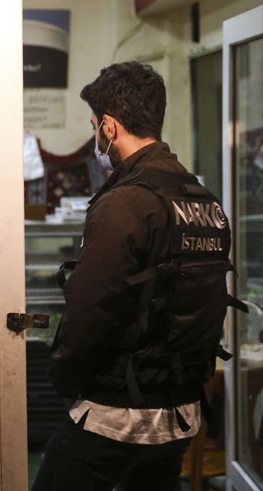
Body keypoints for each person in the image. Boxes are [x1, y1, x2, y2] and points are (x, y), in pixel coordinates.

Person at [32, 61, 234, 491]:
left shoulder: (125, 203)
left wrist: (64, 381)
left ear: (109, 127)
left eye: (93, 128)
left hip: (116, 414)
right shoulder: (205, 201)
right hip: (180, 412)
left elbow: (91, 309)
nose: (95, 140)